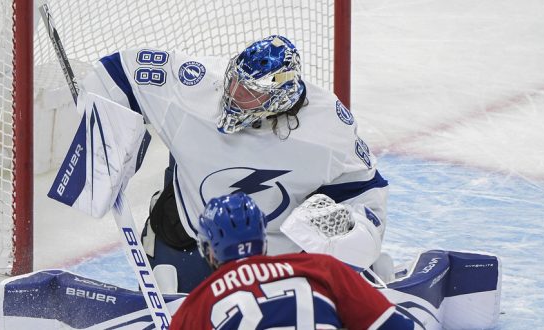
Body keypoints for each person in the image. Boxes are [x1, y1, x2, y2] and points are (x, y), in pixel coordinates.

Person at [58, 35, 388, 292]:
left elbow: (365, 194)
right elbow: (119, 72)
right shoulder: (194, 87)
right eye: (234, 82)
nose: (232, 95)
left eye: (248, 93)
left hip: (280, 259)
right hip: (188, 237)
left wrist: (353, 242)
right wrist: (104, 128)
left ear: (279, 98)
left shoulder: (328, 129)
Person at [169, 192, 414, 330]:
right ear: (263, 240)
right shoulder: (322, 268)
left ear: (208, 251)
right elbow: (397, 327)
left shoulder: (195, 307)